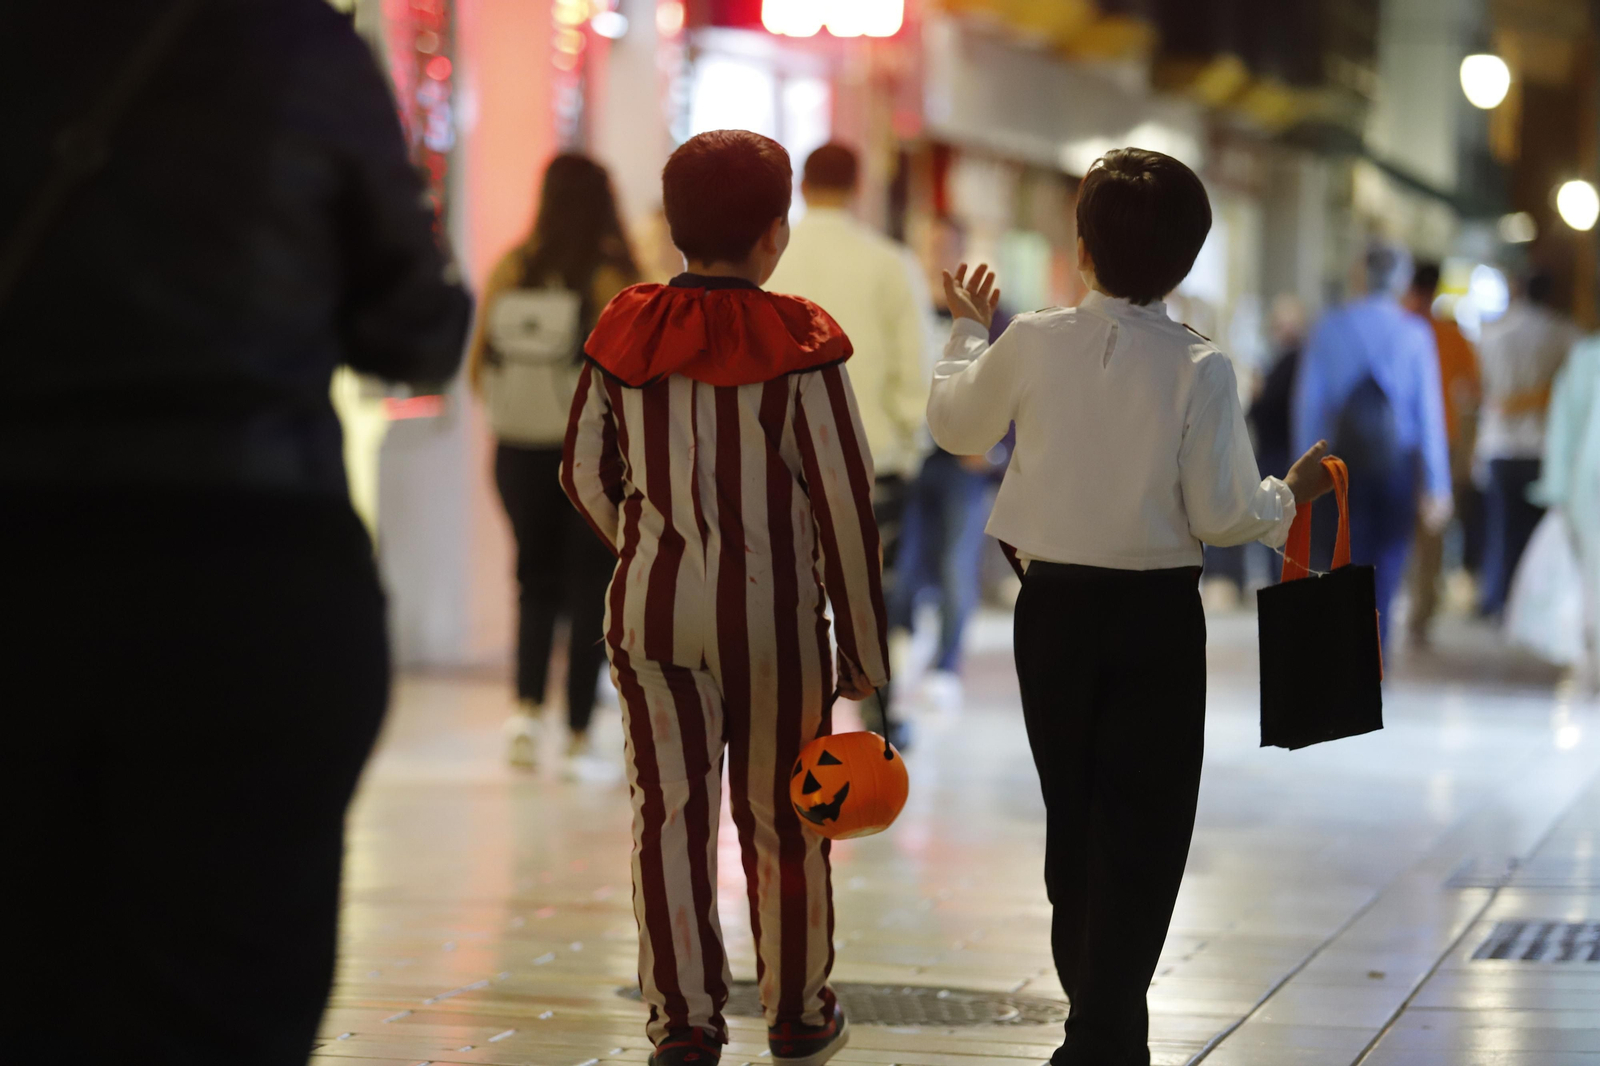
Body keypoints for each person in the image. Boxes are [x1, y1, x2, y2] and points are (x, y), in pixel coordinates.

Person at [2, 2, 471, 1063]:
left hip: (20, 561)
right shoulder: (293, 45)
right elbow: (415, 323)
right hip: (245, 575)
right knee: (225, 989)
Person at [928, 149, 1334, 1066]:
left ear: (1080, 246)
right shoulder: (1202, 367)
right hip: (1156, 620)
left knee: (1071, 815)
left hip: (1053, 614)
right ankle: (1106, 1028)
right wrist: (1291, 495)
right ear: (1186, 265)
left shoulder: (1026, 339)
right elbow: (1226, 514)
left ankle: (1099, 1023)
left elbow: (956, 426)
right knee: (1143, 825)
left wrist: (965, 332)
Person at [561, 129, 887, 1066]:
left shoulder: (624, 329)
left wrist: (645, 545)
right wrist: (864, 649)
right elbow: (844, 505)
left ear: (672, 226)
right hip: (775, 620)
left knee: (668, 816)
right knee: (787, 817)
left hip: (652, 616)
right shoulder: (802, 342)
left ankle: (684, 1023)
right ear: (775, 234)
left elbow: (583, 468)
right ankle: (796, 1011)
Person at [467, 154, 639, 772]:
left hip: (515, 449)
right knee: (590, 583)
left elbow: (477, 368)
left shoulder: (511, 269)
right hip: (587, 455)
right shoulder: (608, 277)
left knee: (531, 579)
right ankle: (576, 733)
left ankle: (524, 714)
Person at [766, 142, 929, 743]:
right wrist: (912, 442)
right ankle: (881, 718)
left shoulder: (772, 259)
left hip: (779, 460)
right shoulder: (888, 263)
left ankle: (793, 720)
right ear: (858, 185)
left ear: (802, 187)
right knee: (871, 592)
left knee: (786, 592)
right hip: (871, 459)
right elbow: (914, 365)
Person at [1293, 242, 1451, 646]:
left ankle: (1344, 651)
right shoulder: (1415, 334)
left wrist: (1300, 474)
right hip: (1396, 464)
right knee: (1389, 559)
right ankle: (1376, 652)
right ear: (1401, 281)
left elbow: (1309, 405)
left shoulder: (1329, 327)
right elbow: (1429, 414)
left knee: (1341, 555)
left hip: (1336, 465)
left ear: (1359, 276)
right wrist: (1437, 485)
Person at [1474, 270, 1580, 618]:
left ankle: (1499, 599)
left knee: (1500, 528)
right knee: (1536, 532)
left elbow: (1480, 390)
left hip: (1500, 444)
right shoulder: (1563, 333)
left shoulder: (1494, 335)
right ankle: (1532, 606)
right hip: (1541, 444)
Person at [1402, 261, 1481, 646]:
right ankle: (1420, 616)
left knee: (1396, 528)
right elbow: (1472, 395)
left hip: (1397, 445)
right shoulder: (1450, 334)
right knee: (1431, 533)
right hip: (1440, 443)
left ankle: (1386, 607)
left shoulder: (1395, 327)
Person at [1532, 330, 1600, 687]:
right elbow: (1564, 429)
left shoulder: (1586, 358)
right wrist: (1558, 491)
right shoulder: (1585, 359)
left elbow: (1562, 429)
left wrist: (1558, 490)